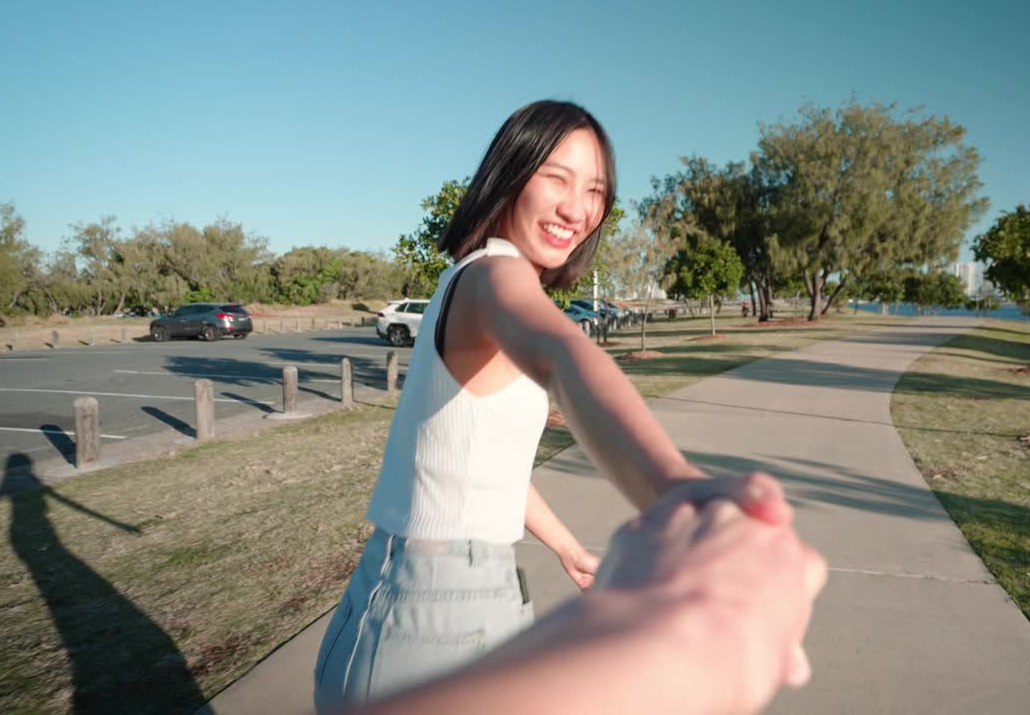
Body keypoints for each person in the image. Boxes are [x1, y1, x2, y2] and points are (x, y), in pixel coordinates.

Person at [314, 101, 791, 710]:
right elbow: (565, 355)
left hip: (472, 590)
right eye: (556, 177)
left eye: (594, 189)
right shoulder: (492, 276)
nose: (577, 207)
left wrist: (566, 546)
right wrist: (673, 490)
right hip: (423, 606)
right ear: (511, 173)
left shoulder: (491, 281)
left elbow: (485, 463)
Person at [353, 473, 828, 715]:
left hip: (489, 576)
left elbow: (498, 466)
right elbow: (563, 360)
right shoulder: (489, 288)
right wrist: (699, 621)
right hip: (428, 583)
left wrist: (567, 547)